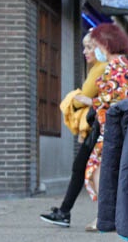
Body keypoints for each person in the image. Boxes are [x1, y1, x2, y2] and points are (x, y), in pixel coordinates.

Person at [40, 31, 108, 229]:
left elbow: (81, 99)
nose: (85, 52)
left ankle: (73, 213)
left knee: (91, 171)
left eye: (89, 47)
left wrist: (77, 100)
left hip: (99, 130)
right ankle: (65, 211)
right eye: (84, 47)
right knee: (82, 169)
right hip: (95, 129)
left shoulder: (101, 68)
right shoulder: (100, 68)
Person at [82, 23, 128, 232]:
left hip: (110, 128)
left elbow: (116, 98)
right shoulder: (124, 64)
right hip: (112, 127)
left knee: (99, 170)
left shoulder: (116, 65)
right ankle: (106, 215)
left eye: (96, 45)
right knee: (102, 170)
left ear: (106, 43)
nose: (95, 49)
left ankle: (104, 216)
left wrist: (90, 102)